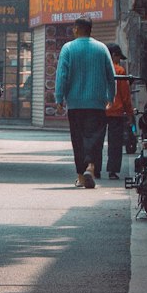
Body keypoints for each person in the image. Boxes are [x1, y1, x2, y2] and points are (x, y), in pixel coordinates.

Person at [53, 17, 116, 188]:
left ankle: (81, 176)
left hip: (75, 104)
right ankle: (91, 166)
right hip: (96, 103)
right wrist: (111, 97)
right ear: (90, 29)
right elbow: (111, 76)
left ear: (76, 29)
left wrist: (59, 98)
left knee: (78, 139)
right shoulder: (101, 48)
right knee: (95, 137)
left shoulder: (68, 48)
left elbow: (62, 76)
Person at [104, 43, 135, 178]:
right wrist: (130, 114)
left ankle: (95, 168)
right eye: (118, 57)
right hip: (116, 111)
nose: (119, 60)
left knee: (97, 140)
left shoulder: (100, 69)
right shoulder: (120, 71)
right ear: (113, 55)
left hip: (99, 109)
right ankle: (112, 170)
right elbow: (125, 95)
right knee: (115, 142)